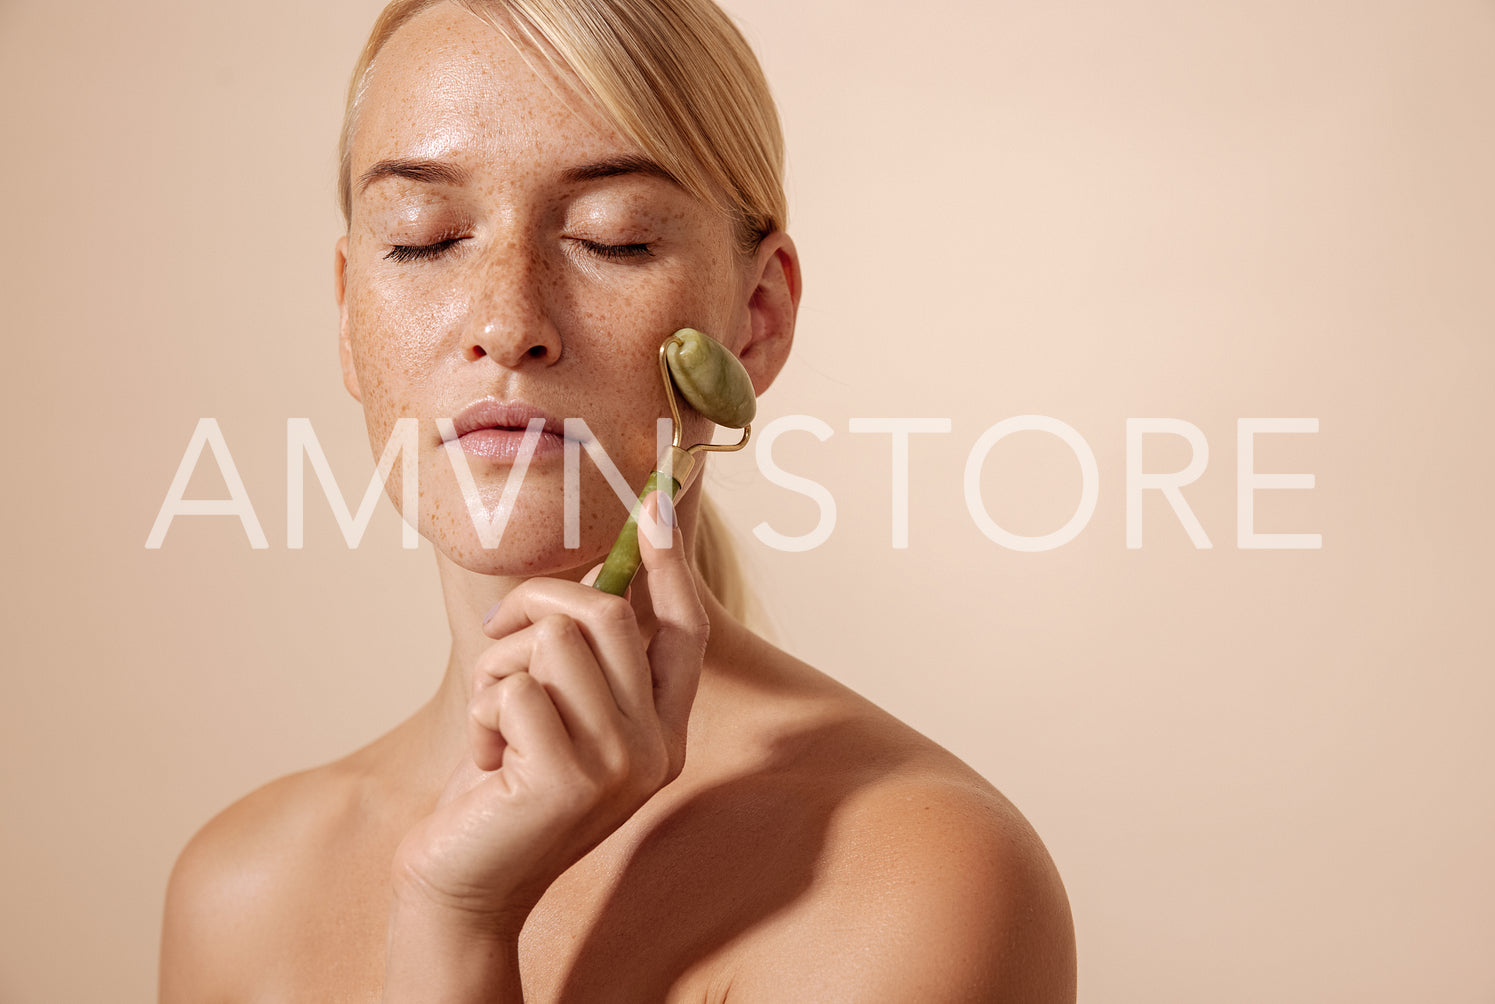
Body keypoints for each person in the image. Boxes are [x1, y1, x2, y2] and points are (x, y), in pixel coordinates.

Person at [158, 0, 1077, 999]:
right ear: (346, 316)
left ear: (755, 320)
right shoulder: (240, 889)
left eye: (615, 238)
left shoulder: (913, 872)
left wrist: (458, 923)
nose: (509, 323)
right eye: (423, 239)